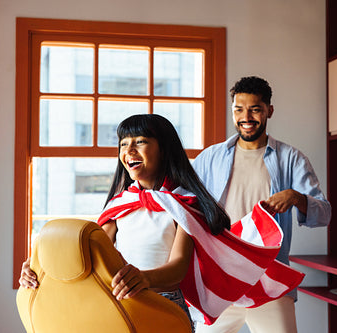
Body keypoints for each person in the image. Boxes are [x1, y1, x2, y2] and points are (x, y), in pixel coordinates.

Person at [19, 114, 305, 330]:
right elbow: (91, 253)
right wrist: (39, 270)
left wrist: (144, 278)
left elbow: (178, 268)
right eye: (123, 143)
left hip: (164, 304)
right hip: (118, 304)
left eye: (140, 142)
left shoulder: (185, 206)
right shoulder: (119, 206)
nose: (129, 149)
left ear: (165, 149)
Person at [192, 76, 332, 333]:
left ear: (269, 110)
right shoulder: (209, 158)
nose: (246, 117)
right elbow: (181, 200)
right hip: (221, 279)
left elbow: (324, 214)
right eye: (239, 109)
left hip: (269, 281)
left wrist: (296, 197)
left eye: (255, 109)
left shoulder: (291, 159)